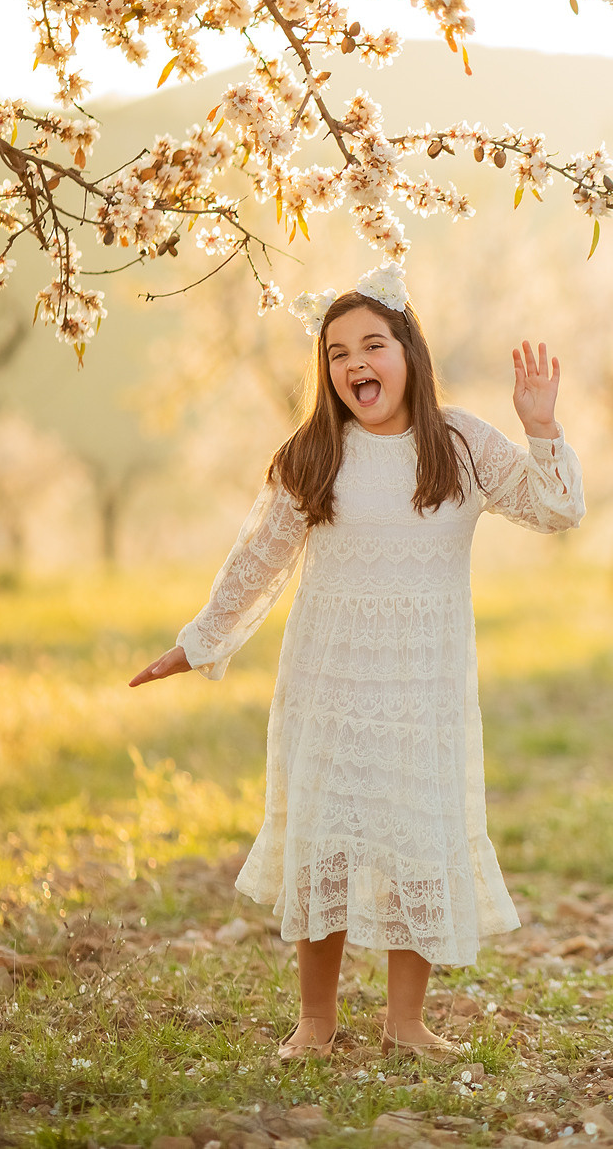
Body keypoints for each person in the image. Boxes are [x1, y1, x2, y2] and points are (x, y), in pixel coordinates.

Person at [127, 263, 584, 1061]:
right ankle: (317, 1018)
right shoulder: (315, 452)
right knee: (326, 843)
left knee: (414, 837)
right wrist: (199, 641)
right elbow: (258, 559)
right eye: (337, 352)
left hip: (423, 685)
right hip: (331, 683)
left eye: (372, 344)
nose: (354, 364)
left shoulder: (463, 445)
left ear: (409, 350)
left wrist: (541, 426)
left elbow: (557, 508)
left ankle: (406, 1023)